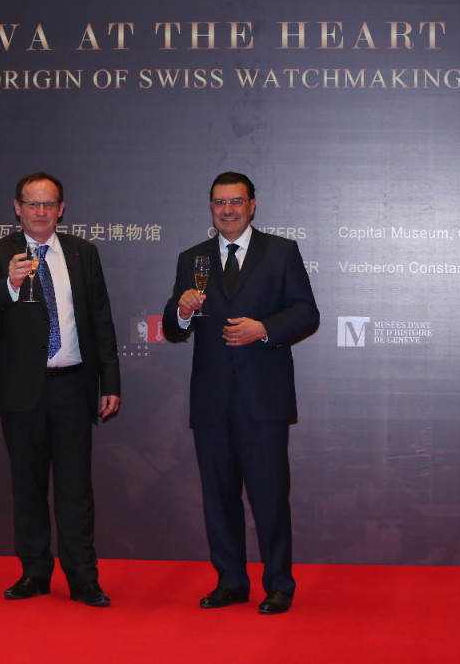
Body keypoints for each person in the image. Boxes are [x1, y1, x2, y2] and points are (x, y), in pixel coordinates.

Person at [163, 171, 319, 615]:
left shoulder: (281, 252)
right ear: (211, 208)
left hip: (262, 398)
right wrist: (182, 309)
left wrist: (263, 329)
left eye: (235, 202)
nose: (227, 210)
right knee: (219, 496)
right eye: (218, 203)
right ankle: (231, 580)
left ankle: (279, 583)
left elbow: (307, 312)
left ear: (252, 205)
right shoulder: (193, 257)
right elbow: (174, 328)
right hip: (212, 399)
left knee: (270, 494)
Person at [0, 171, 120, 607]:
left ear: (61, 209)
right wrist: (9, 284)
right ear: (17, 208)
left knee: (76, 487)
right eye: (32, 204)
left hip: (72, 385)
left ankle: (83, 578)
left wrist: (109, 380)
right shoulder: (0, 252)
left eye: (48, 204)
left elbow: (102, 321)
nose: (40, 212)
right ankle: (34, 572)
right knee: (28, 484)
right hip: (22, 388)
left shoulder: (82, 252)